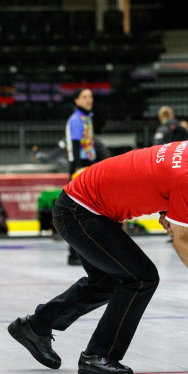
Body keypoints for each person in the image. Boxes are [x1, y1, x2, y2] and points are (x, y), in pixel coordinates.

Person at [8, 140, 188, 374]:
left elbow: (159, 168)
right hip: (81, 213)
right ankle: (99, 356)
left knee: (108, 281)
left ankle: (35, 327)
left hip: (78, 205)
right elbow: (183, 242)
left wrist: (168, 208)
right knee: (141, 278)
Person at [64, 88, 107, 265]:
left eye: (90, 97)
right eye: (84, 97)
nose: (89, 100)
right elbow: (75, 146)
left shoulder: (86, 118)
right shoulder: (76, 119)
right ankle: (73, 254)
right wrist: (77, 170)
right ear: (76, 100)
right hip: (79, 167)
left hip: (87, 166)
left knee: (88, 212)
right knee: (76, 213)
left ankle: (84, 253)